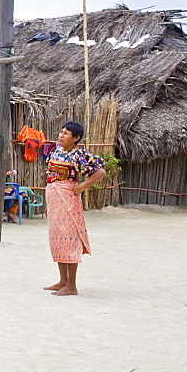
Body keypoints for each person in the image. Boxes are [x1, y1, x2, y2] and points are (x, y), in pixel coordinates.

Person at [43, 121, 105, 296]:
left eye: (66, 133)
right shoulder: (55, 150)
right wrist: (50, 204)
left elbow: (100, 172)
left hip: (68, 199)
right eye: (61, 132)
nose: (61, 135)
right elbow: (49, 176)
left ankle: (72, 285)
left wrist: (81, 187)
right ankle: (62, 280)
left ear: (76, 138)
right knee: (57, 240)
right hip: (54, 197)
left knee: (70, 240)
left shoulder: (79, 155)